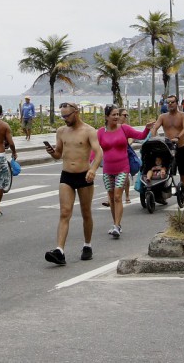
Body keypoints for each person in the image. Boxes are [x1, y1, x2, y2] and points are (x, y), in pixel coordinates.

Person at [42, 102, 103, 266]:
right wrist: (52, 152)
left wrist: (93, 169)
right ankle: (59, 251)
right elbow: (59, 154)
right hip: (66, 175)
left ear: (76, 112)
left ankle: (87, 245)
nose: (65, 119)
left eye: (67, 116)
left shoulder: (89, 131)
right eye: (62, 116)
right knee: (64, 212)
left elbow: (99, 152)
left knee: (86, 212)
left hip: (84, 176)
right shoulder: (61, 131)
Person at [97, 105, 150, 239]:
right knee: (111, 197)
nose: (116, 117)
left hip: (122, 168)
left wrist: (147, 128)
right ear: (106, 117)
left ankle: (116, 226)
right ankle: (116, 224)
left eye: (117, 114)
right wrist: (94, 164)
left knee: (117, 197)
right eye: (113, 115)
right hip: (107, 170)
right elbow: (94, 150)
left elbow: (141, 136)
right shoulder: (100, 132)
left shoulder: (124, 129)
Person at [147, 95, 184, 201]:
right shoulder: (163, 116)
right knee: (165, 171)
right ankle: (161, 192)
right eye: (168, 102)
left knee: (183, 172)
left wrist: (178, 137)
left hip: (180, 146)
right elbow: (155, 127)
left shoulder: (183, 115)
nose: (170, 104)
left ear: (177, 103)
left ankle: (183, 193)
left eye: (172, 102)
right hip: (167, 148)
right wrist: (154, 136)